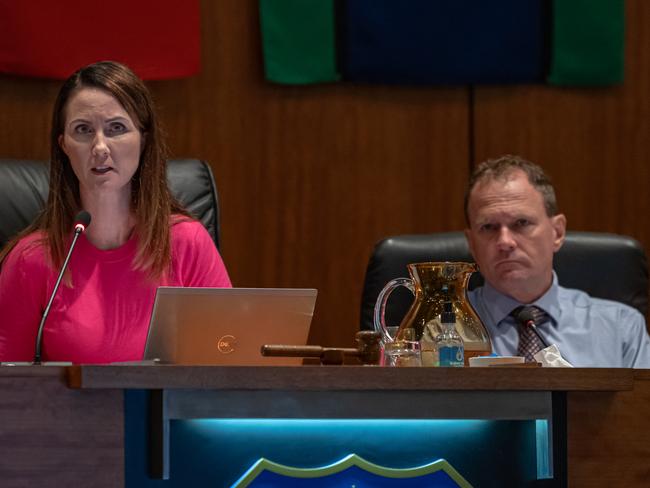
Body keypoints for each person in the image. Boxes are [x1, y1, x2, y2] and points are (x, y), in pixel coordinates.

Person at [0, 61, 231, 364]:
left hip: (166, 411)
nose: (99, 147)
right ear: (64, 145)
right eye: (83, 130)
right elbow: (8, 388)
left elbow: (229, 364)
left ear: (143, 139)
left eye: (117, 128)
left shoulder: (188, 243)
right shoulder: (31, 259)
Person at [464, 155, 650, 368]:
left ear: (557, 232)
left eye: (521, 223)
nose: (505, 241)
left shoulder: (621, 328)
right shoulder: (442, 331)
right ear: (471, 243)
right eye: (488, 227)